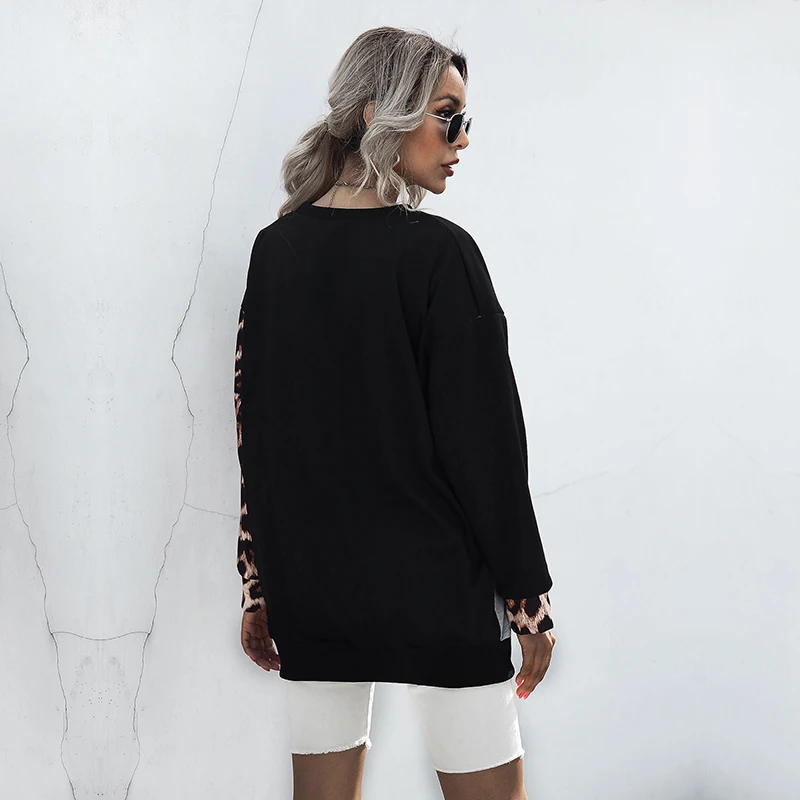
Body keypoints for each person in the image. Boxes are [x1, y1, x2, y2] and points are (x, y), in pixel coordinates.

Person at [233, 25, 557, 800]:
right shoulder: (442, 255)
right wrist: (527, 602)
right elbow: (487, 450)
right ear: (380, 113)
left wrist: (259, 587)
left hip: (313, 590)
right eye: (448, 116)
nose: (462, 139)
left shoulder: (274, 254)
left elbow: (257, 437)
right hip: (439, 591)